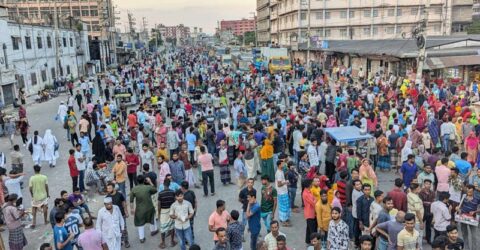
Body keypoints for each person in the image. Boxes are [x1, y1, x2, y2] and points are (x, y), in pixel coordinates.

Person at [129, 174, 159, 243]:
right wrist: (150, 182)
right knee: (152, 219)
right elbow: (155, 190)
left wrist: (132, 209)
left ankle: (141, 238)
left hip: (140, 210)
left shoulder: (134, 189)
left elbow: (131, 201)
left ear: (137, 181)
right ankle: (153, 231)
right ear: (144, 180)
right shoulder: (148, 187)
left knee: (140, 223)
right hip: (149, 208)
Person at [106, 182, 130, 248]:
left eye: (109, 188)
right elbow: (106, 207)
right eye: (107, 188)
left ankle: (126, 241)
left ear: (113, 188)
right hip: (113, 217)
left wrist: (126, 212)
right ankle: (119, 241)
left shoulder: (119, 194)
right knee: (116, 229)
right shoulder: (107, 197)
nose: (108, 190)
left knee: (124, 228)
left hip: (122, 215)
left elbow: (124, 203)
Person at [457, 184, 479, 249]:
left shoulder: (477, 198)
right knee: (464, 234)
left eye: (470, 192)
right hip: (463, 218)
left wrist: (475, 212)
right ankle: (466, 248)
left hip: (473, 219)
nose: (469, 193)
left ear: (474, 191)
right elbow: (460, 206)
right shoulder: (463, 196)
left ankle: (474, 248)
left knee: (474, 236)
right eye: (468, 191)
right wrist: (458, 208)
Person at [158, 178, 177, 248]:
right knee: (172, 226)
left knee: (163, 227)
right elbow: (175, 202)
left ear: (163, 184)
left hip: (163, 211)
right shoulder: (172, 192)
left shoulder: (160, 193)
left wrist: (159, 213)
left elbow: (159, 204)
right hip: (171, 210)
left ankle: (163, 243)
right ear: (169, 184)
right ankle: (172, 241)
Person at [407, 183, 424, 249]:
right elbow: (417, 211)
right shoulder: (416, 199)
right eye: (418, 188)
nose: (420, 189)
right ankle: (419, 248)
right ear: (415, 189)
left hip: (411, 217)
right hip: (417, 220)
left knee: (412, 234)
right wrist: (421, 222)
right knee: (419, 236)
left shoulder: (409, 194)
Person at [275, 160, 291, 227]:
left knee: (285, 205)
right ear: (279, 165)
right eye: (282, 164)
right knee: (284, 206)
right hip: (282, 192)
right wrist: (286, 182)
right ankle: (283, 221)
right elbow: (279, 184)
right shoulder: (279, 173)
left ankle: (284, 218)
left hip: (283, 191)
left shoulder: (281, 171)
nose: (284, 165)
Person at [303, 179, 317, 244]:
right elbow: (313, 202)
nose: (312, 184)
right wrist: (315, 200)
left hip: (311, 212)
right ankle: (313, 243)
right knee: (312, 230)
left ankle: (307, 241)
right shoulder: (305, 193)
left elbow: (314, 198)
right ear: (309, 185)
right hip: (309, 213)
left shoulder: (309, 191)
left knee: (309, 228)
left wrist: (314, 200)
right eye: (311, 183)